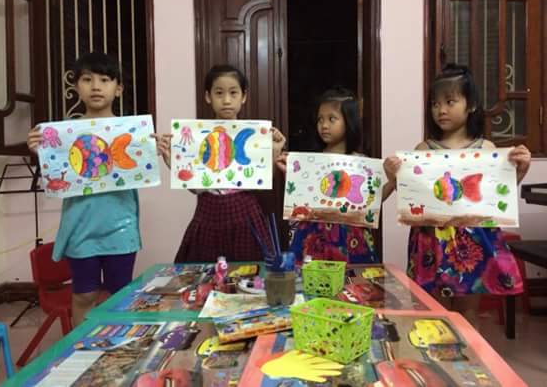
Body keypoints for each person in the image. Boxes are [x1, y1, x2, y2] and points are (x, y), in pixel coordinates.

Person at [383, 63, 531, 323]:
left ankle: (469, 351)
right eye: (435, 104)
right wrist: (393, 176)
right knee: (434, 312)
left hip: (473, 241)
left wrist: (521, 170)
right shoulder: (423, 149)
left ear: (471, 105)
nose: (441, 110)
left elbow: (499, 197)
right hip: (431, 240)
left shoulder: (486, 148)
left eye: (450, 102)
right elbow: (411, 198)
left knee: (469, 311)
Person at [27, 52, 141, 326]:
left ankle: (118, 344)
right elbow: (58, 174)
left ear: (118, 89)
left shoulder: (132, 133)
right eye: (87, 79)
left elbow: (141, 168)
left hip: (120, 226)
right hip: (80, 227)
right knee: (83, 295)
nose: (96, 86)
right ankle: (80, 347)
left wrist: (155, 148)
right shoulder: (61, 135)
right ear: (76, 86)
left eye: (105, 79)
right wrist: (41, 152)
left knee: (120, 296)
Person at [154, 65, 286, 262]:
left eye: (233, 93)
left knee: (249, 271)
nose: (226, 100)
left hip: (245, 213)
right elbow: (195, 189)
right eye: (219, 93)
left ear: (243, 96)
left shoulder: (255, 137)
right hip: (208, 212)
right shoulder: (196, 137)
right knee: (205, 272)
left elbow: (262, 181)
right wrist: (173, 162)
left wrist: (274, 152)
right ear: (208, 97)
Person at [276, 86, 379, 263]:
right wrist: (290, 175)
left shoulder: (361, 163)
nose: (324, 125)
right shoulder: (311, 162)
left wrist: (391, 178)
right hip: (315, 235)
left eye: (332, 119)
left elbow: (372, 200)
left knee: (351, 278)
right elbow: (301, 199)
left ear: (349, 121)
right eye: (320, 119)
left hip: (351, 238)